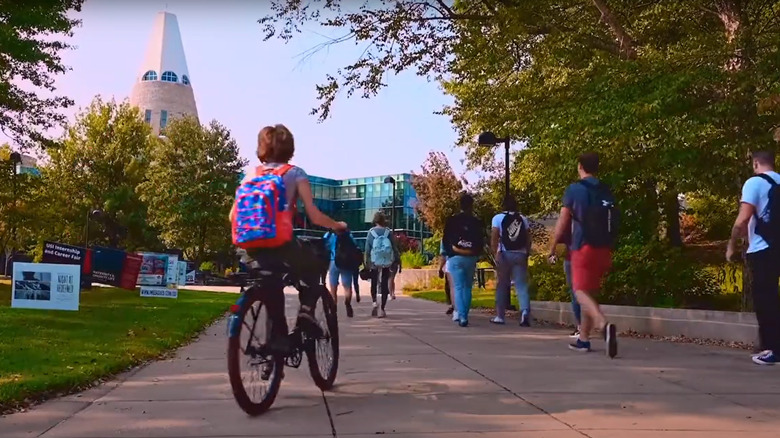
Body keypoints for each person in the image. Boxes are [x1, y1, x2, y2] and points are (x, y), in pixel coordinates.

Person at [230, 124, 347, 352]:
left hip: (250, 247)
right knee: (314, 262)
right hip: (282, 244)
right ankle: (305, 314)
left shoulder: (250, 175)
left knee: (270, 283)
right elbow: (313, 216)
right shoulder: (294, 173)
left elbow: (232, 215)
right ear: (290, 148)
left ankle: (277, 340)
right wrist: (337, 225)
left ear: (261, 148)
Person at [549, 152, 618, 357]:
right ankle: (584, 339)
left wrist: (552, 246)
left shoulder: (574, 190)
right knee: (591, 292)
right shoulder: (605, 190)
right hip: (604, 246)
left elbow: (563, 222)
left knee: (579, 291)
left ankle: (603, 324)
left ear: (580, 166)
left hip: (582, 246)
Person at [727, 150, 780, 366]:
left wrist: (731, 245)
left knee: (765, 298)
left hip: (763, 248)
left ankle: (772, 349)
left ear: (756, 163)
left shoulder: (754, 182)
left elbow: (743, 218)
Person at [443, 192, 485, 327]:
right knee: (467, 287)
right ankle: (465, 314)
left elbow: (445, 240)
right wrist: (474, 252)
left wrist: (452, 251)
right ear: (471, 206)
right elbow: (481, 241)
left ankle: (461, 315)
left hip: (455, 257)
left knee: (458, 286)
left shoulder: (452, 221)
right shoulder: (476, 222)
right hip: (470, 257)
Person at [490, 195, 532, 326]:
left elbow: (494, 238)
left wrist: (495, 253)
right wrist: (526, 253)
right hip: (520, 253)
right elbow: (528, 239)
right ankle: (525, 312)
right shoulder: (523, 219)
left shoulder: (497, 218)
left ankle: (500, 316)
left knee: (502, 285)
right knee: (521, 285)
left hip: (504, 254)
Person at [365, 211, 400, 318]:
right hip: (386, 261)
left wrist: (367, 262)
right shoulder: (388, 232)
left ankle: (375, 302)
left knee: (374, 282)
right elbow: (394, 248)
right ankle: (383, 309)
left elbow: (367, 249)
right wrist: (397, 260)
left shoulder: (371, 232)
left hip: (375, 261)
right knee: (384, 283)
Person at [323, 229, 360, 317]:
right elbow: (355, 246)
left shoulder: (330, 235)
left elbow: (324, 245)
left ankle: (333, 309)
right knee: (347, 287)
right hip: (346, 263)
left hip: (333, 262)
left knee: (333, 288)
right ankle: (347, 303)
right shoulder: (349, 235)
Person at [439, 240, 456, 319]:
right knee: (464, 287)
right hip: (466, 261)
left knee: (451, 286)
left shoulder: (446, 237)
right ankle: (463, 307)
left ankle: (453, 305)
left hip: (451, 262)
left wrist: (440, 268)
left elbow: (443, 255)